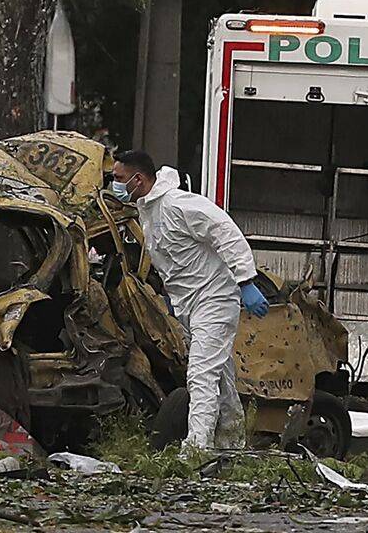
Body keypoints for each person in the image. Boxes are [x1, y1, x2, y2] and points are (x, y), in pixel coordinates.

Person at [112, 150, 269, 450]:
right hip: (192, 304)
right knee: (219, 376)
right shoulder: (149, 211)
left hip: (215, 297)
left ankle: (196, 449)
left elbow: (225, 232)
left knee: (201, 374)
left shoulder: (177, 204)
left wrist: (245, 280)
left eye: (119, 179)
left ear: (139, 179)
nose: (115, 185)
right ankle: (232, 445)